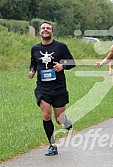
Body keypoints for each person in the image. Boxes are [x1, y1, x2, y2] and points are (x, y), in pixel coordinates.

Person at [28, 21, 75, 156]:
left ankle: (65, 121)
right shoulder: (35, 48)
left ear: (52, 31)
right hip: (42, 88)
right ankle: (52, 144)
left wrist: (62, 66)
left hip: (59, 87)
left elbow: (72, 62)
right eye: (43, 28)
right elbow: (33, 63)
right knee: (46, 114)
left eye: (48, 28)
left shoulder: (61, 47)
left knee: (59, 119)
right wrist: (32, 71)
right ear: (39, 31)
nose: (45, 30)